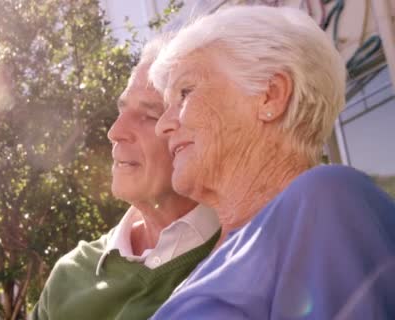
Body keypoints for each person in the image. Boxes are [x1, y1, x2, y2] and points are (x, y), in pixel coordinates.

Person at [148, 5, 395, 319]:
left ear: (270, 95)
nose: (162, 125)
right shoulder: (206, 265)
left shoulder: (325, 197)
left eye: (185, 92)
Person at [30, 37, 220, 320]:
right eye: (121, 110)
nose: (115, 131)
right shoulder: (69, 276)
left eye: (148, 115)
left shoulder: (248, 254)